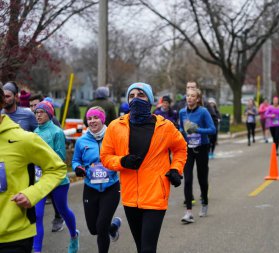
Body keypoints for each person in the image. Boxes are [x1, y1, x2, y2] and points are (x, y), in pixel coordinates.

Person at [100, 82, 187, 253]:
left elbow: (181, 148)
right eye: (131, 96)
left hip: (155, 195)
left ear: (150, 100)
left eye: (141, 95)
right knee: (141, 247)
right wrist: (122, 161)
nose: (135, 99)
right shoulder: (115, 127)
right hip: (130, 197)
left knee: (148, 249)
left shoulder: (165, 127)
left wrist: (176, 169)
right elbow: (105, 157)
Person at [0, 87, 66, 253]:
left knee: (55, 211)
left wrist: (32, 194)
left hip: (14, 236)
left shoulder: (23, 138)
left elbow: (57, 168)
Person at [72, 106, 122, 253]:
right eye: (89, 118)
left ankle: (106, 230)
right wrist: (77, 168)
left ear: (103, 119)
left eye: (96, 117)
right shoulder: (81, 141)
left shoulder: (113, 137)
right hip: (90, 188)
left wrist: (114, 165)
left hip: (111, 188)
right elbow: (75, 160)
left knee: (101, 228)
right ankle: (112, 227)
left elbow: (121, 157)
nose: (92, 121)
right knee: (94, 229)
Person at [32, 101, 79, 253]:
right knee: (38, 215)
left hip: (57, 179)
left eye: (41, 112)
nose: (38, 115)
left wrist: (42, 160)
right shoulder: (34, 133)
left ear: (49, 114)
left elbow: (60, 157)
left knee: (63, 210)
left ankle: (73, 236)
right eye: (36, 112)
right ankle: (37, 249)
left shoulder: (57, 132)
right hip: (40, 179)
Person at [179, 87, 216, 223]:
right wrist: (183, 132)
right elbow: (181, 128)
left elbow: (212, 129)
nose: (189, 98)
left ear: (198, 99)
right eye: (188, 95)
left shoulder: (203, 112)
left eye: (192, 96)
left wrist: (197, 129)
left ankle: (205, 202)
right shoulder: (182, 112)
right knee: (187, 179)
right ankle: (188, 212)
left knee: (202, 179)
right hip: (188, 148)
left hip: (202, 147)